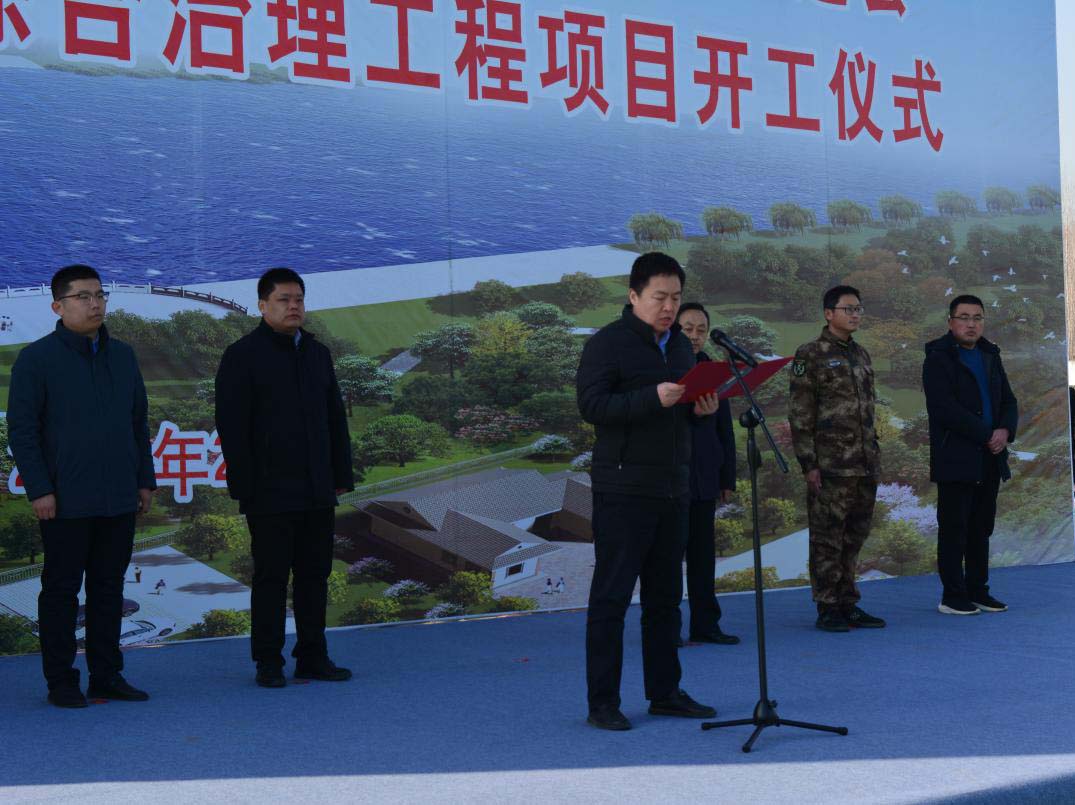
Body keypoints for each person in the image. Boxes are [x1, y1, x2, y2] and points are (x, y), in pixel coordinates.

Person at [577, 252, 719, 731]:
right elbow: (592, 406)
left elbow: (679, 415)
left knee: (665, 600)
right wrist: (650, 398)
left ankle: (665, 693)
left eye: (675, 298)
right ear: (634, 295)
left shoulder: (680, 346)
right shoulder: (607, 344)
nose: (669, 307)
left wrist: (699, 412)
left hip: (672, 487)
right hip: (622, 488)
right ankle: (603, 702)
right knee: (612, 599)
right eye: (660, 297)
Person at [7, 264, 156, 708]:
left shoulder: (123, 355)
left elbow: (138, 423)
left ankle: (107, 675)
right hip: (65, 499)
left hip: (118, 495)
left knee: (109, 589)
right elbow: (23, 431)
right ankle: (61, 681)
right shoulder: (36, 359)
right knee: (61, 591)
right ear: (58, 306)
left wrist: (144, 480)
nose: (95, 304)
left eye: (100, 295)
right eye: (83, 297)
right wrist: (39, 489)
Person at [215, 268, 354, 688]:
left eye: (298, 299)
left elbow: (335, 419)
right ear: (262, 306)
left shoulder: (317, 353)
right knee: (271, 578)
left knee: (315, 576)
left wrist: (340, 475)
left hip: (317, 487)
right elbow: (231, 427)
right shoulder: (242, 355)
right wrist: (245, 487)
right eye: (283, 300)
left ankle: (312, 656)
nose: (293, 307)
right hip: (268, 490)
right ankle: (268, 661)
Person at [789, 285, 885, 633]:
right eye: (848, 308)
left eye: (858, 308)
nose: (855, 314)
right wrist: (809, 464)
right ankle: (827, 605)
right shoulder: (809, 355)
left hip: (864, 463)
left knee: (854, 536)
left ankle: (848, 602)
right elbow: (800, 414)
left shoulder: (861, 353)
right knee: (826, 538)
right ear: (829, 313)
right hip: (830, 465)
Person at [922, 294, 1018, 615]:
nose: (971, 324)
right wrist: (986, 434)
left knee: (981, 528)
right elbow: (943, 408)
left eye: (977, 317)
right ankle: (952, 595)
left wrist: (1004, 430)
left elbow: (1009, 401)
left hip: (990, 457)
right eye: (964, 317)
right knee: (954, 529)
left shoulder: (990, 354)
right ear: (950, 322)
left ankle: (978, 591)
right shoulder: (938, 357)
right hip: (956, 457)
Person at [675, 302, 739, 646]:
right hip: (671, 480)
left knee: (703, 558)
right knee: (668, 560)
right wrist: (694, 416)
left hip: (704, 478)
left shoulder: (713, 370)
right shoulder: (662, 368)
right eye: (688, 329)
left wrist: (727, 477)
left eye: (701, 330)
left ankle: (706, 625)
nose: (695, 336)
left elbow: (724, 429)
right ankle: (666, 629)